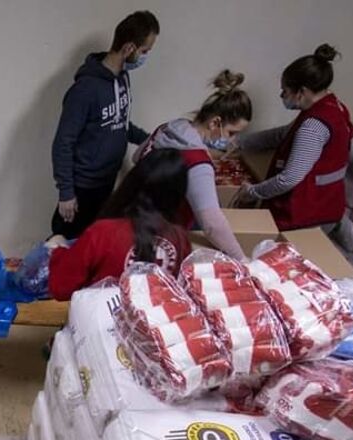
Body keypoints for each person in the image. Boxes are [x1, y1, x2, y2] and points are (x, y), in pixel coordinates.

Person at [50, 10, 160, 239]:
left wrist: (153, 139)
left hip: (107, 180)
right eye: (144, 51)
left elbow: (120, 123)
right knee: (67, 241)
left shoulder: (123, 78)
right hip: (82, 187)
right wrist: (66, 193)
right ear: (129, 48)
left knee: (95, 241)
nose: (145, 57)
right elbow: (63, 142)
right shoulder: (85, 90)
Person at [233, 45, 353, 231]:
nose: (282, 96)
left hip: (309, 212)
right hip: (324, 202)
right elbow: (285, 134)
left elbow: (288, 179)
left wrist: (253, 192)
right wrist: (239, 142)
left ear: (301, 92)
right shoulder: (331, 106)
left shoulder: (313, 127)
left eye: (285, 91)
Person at [136, 70, 252, 260]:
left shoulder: (170, 128)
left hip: (137, 218)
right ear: (215, 123)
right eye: (231, 133)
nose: (232, 140)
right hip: (164, 238)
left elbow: (137, 157)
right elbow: (212, 224)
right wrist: (242, 259)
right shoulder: (197, 162)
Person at [47, 149, 191, 300]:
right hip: (159, 314)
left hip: (101, 313)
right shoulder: (180, 239)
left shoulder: (102, 233)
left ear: (133, 181)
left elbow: (60, 288)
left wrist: (57, 250)